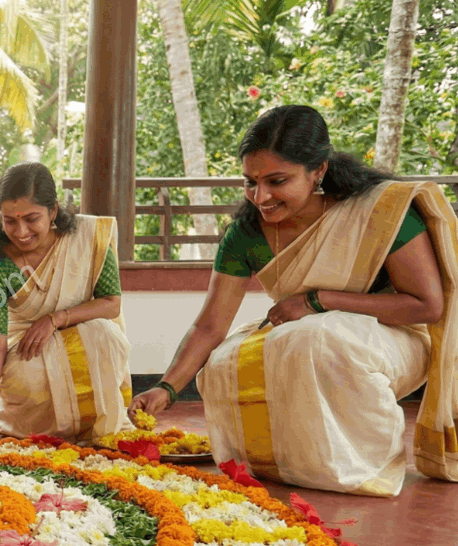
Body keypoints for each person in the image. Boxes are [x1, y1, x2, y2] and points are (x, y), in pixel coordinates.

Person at [130, 104, 458, 496]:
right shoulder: (246, 233)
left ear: (318, 170)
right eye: (250, 182)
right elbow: (210, 325)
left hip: (399, 339)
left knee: (317, 338)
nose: (260, 196)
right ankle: (290, 466)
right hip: (310, 331)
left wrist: (319, 300)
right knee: (223, 363)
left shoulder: (380, 213)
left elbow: (427, 306)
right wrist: (166, 388)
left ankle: (361, 467)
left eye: (276, 181)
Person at [0, 162, 131, 441]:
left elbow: (111, 304)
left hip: (87, 344)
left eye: (31, 218)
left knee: (104, 333)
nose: (21, 231)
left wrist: (54, 320)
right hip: (28, 357)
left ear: (52, 211)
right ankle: (47, 430)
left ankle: (99, 428)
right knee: (29, 372)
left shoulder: (88, 239)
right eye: (10, 220)